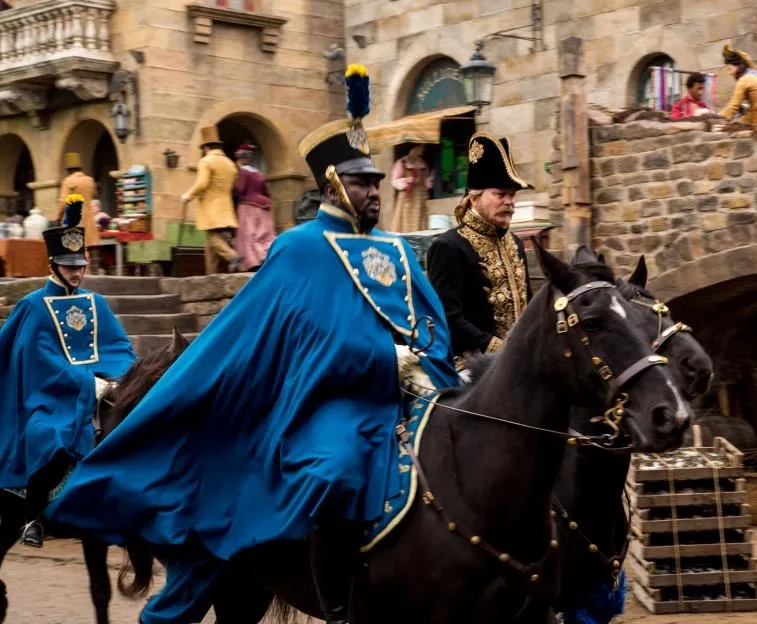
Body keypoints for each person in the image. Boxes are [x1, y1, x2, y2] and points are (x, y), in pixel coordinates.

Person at [45, 64, 459, 624]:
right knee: (331, 469)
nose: (374, 191)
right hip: (330, 399)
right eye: (363, 182)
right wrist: (385, 358)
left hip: (411, 393)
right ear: (334, 182)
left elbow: (430, 318)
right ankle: (341, 602)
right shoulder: (300, 249)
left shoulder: (398, 248)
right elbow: (303, 344)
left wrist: (425, 358)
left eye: (376, 182)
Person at [0, 194, 135, 548]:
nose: (77, 271)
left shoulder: (96, 302)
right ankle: (32, 517)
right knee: (51, 434)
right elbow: (38, 358)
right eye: (69, 265)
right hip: (50, 394)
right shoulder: (33, 306)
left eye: (80, 264)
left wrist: (119, 377)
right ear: (53, 264)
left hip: (102, 385)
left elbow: (117, 345)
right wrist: (85, 383)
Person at [426, 132, 533, 367]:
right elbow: (449, 318)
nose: (509, 202)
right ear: (474, 198)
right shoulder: (448, 247)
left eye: (512, 195)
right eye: (500, 194)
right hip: (470, 367)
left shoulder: (515, 244)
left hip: (518, 363)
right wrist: (499, 348)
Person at [182, 126, 241, 274]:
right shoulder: (230, 164)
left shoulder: (206, 161)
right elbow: (234, 186)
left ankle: (232, 256)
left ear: (206, 148)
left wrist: (188, 196)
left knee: (214, 240)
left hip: (211, 206)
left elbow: (202, 183)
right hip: (226, 207)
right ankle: (211, 274)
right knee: (209, 243)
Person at [233, 143, 275, 271]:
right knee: (263, 234)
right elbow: (266, 191)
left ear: (241, 158)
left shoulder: (243, 172)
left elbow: (241, 189)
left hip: (248, 206)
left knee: (249, 233)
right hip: (265, 206)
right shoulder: (259, 173)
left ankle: (252, 262)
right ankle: (267, 257)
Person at [718, 45, 757, 129]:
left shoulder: (744, 80)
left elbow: (733, 106)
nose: (729, 73)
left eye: (729, 69)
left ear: (738, 66)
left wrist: (718, 117)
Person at [56, 152, 98, 248]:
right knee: (89, 249)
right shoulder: (89, 180)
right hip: (89, 221)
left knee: (75, 251)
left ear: (68, 170)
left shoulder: (68, 182)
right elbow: (94, 195)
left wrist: (58, 218)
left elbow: (63, 202)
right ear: (80, 168)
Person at [389, 143, 434, 232]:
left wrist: (427, 181)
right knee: (406, 222)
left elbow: (427, 181)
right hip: (407, 198)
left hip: (420, 197)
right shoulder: (402, 162)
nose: (423, 149)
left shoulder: (423, 163)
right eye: (421, 146)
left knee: (420, 222)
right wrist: (406, 180)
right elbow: (394, 181)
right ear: (414, 147)